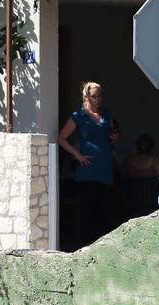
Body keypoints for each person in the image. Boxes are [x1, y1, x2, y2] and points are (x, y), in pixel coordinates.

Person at [58, 81, 117, 246]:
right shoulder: (78, 116)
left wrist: (115, 138)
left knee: (103, 210)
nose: (97, 99)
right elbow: (61, 138)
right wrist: (77, 155)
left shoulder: (106, 114)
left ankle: (101, 246)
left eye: (99, 96)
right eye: (94, 96)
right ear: (86, 97)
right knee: (88, 210)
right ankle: (85, 246)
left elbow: (112, 135)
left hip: (104, 167)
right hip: (88, 169)